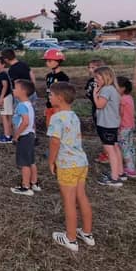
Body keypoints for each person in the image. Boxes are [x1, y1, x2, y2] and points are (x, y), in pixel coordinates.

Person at [47, 82, 95, 252]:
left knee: (69, 201)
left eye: (50, 95)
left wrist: (51, 161)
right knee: (81, 196)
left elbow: (54, 141)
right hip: (81, 162)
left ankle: (71, 238)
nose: (49, 97)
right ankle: (87, 234)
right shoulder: (74, 116)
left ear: (59, 98)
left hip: (67, 165)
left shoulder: (56, 118)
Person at [93, 67, 124, 186]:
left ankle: (114, 177)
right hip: (113, 123)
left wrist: (95, 94)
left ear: (105, 77)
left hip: (106, 124)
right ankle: (120, 172)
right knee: (115, 148)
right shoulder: (113, 89)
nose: (95, 80)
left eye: (97, 77)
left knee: (110, 150)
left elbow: (100, 105)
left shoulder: (106, 89)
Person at [9, 79, 39, 196]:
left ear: (22, 91)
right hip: (30, 135)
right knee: (31, 160)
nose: (13, 90)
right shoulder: (29, 105)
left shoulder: (21, 106)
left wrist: (16, 135)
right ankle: (34, 182)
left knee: (24, 163)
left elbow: (25, 122)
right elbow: (32, 122)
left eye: (15, 88)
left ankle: (25, 186)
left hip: (24, 136)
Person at [85, 59, 107, 164]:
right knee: (99, 130)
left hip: (103, 109)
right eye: (89, 67)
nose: (90, 70)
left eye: (93, 67)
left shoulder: (105, 83)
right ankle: (106, 151)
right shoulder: (90, 82)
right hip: (95, 108)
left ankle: (108, 154)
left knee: (104, 131)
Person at [116, 77, 136, 178]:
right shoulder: (129, 98)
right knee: (130, 147)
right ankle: (132, 166)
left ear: (123, 88)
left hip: (123, 127)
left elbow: (120, 113)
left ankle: (130, 169)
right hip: (130, 126)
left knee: (124, 148)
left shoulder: (122, 99)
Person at [43, 48, 70, 127]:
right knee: (50, 128)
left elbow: (65, 95)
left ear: (58, 62)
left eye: (49, 61)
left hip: (59, 107)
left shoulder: (63, 77)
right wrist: (46, 106)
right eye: (46, 61)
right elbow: (48, 93)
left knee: (59, 128)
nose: (47, 63)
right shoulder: (48, 76)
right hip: (49, 107)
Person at [0, 56, 13, 144]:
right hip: (7, 98)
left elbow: (5, 86)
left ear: (3, 65)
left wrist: (1, 98)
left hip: (5, 98)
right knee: (7, 116)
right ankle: (8, 134)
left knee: (4, 116)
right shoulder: (3, 74)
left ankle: (7, 136)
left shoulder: (2, 75)